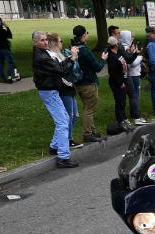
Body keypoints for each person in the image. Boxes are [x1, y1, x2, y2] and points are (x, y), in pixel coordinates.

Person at [31, 32, 78, 168]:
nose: (45, 42)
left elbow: (58, 68)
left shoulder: (43, 54)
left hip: (51, 90)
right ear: (35, 42)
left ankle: (54, 146)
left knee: (64, 118)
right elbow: (60, 70)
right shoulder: (41, 57)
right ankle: (63, 156)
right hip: (48, 91)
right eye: (42, 40)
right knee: (63, 122)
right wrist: (72, 58)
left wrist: (68, 59)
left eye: (46, 40)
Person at [71, 25, 107, 143]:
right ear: (83, 36)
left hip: (79, 83)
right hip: (89, 83)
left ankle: (92, 131)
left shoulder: (74, 48)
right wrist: (103, 59)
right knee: (89, 109)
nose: (87, 35)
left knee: (88, 107)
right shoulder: (85, 50)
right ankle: (87, 133)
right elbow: (97, 67)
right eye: (86, 34)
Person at [119, 31, 147, 126]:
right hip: (133, 74)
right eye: (131, 37)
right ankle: (136, 114)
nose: (133, 39)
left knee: (134, 95)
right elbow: (132, 62)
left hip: (133, 74)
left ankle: (135, 112)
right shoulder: (125, 48)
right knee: (135, 95)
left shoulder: (126, 46)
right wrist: (140, 57)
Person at [106, 36, 132, 133]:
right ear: (116, 44)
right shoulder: (111, 56)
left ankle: (124, 119)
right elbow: (113, 72)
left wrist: (136, 53)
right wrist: (120, 83)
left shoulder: (119, 52)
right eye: (118, 43)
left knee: (123, 101)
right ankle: (120, 120)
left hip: (123, 80)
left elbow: (128, 60)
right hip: (117, 83)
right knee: (119, 102)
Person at [0, 17, 19, 82]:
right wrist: (7, 27)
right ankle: (9, 75)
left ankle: (2, 77)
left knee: (0, 63)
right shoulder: (3, 30)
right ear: (0, 21)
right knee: (11, 61)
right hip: (4, 48)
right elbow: (10, 36)